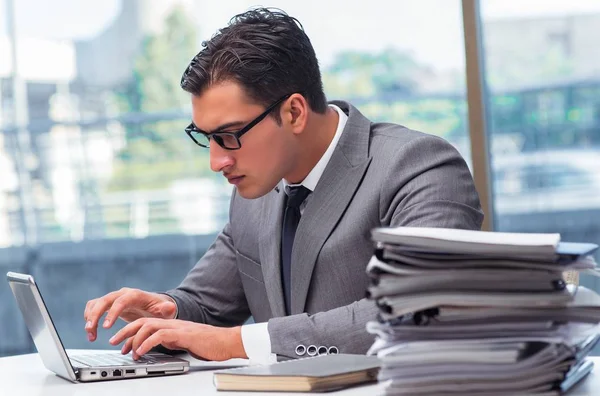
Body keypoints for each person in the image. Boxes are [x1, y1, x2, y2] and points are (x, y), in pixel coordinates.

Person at [84, 8, 483, 363]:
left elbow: (414, 311)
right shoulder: (254, 194)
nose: (216, 160)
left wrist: (237, 343)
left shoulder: (418, 166)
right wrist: (164, 312)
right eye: (206, 138)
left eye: (230, 135)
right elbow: (206, 307)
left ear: (294, 112)